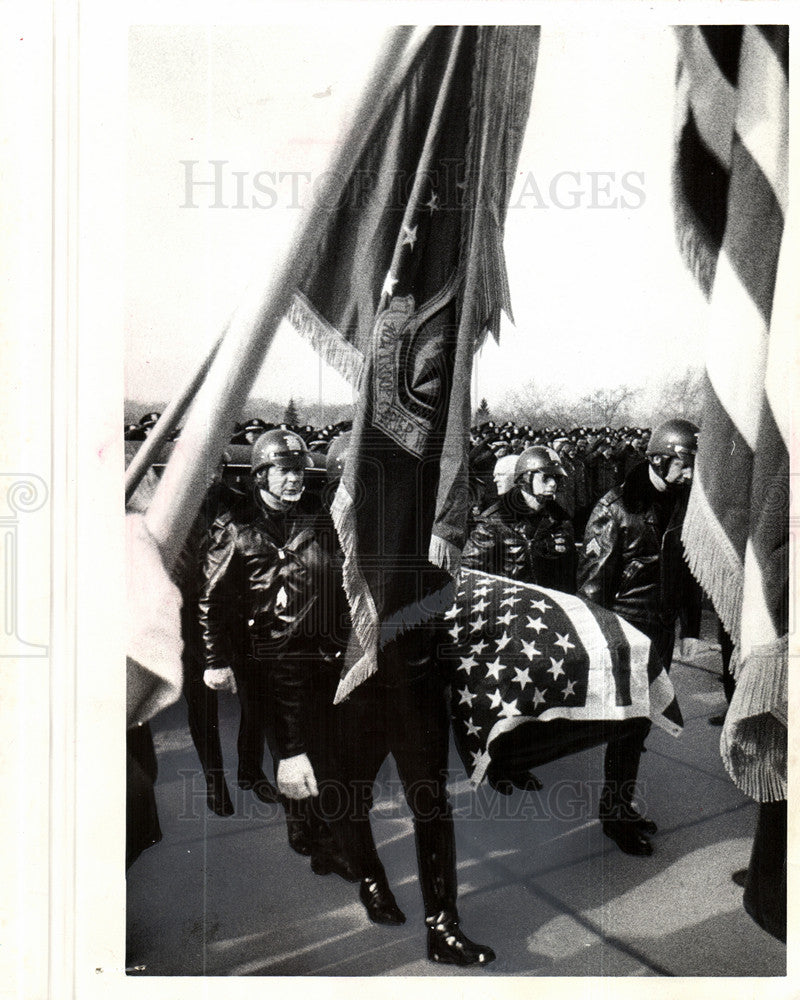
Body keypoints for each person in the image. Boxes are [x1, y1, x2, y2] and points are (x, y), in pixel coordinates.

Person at [286, 434, 496, 966]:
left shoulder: (418, 534)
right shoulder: (318, 546)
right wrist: (295, 738)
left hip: (415, 690)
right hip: (354, 696)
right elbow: (296, 649)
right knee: (349, 797)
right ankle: (372, 877)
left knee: (432, 807)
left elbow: (440, 609)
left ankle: (443, 927)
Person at [198, 429, 353, 878]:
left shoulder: (317, 518)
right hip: (267, 660)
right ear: (262, 474)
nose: (294, 480)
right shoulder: (236, 525)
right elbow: (212, 598)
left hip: (322, 653)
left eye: (299, 471)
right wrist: (215, 660)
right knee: (293, 746)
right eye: (285, 472)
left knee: (322, 749)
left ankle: (313, 829)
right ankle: (313, 833)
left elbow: (340, 577)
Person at [576, 417, 701, 855]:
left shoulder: (684, 503)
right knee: (624, 728)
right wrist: (601, 644)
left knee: (639, 728)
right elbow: (592, 587)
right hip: (625, 634)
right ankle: (614, 816)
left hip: (661, 632)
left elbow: (686, 569)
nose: (689, 473)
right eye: (684, 463)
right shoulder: (617, 508)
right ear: (660, 457)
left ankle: (622, 806)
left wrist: (689, 626)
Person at [462, 445, 576, 594]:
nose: (553, 483)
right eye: (546, 477)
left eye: (556, 478)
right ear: (526, 478)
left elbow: (571, 576)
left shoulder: (560, 520)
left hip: (551, 608)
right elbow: (469, 574)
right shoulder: (494, 522)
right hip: (511, 607)